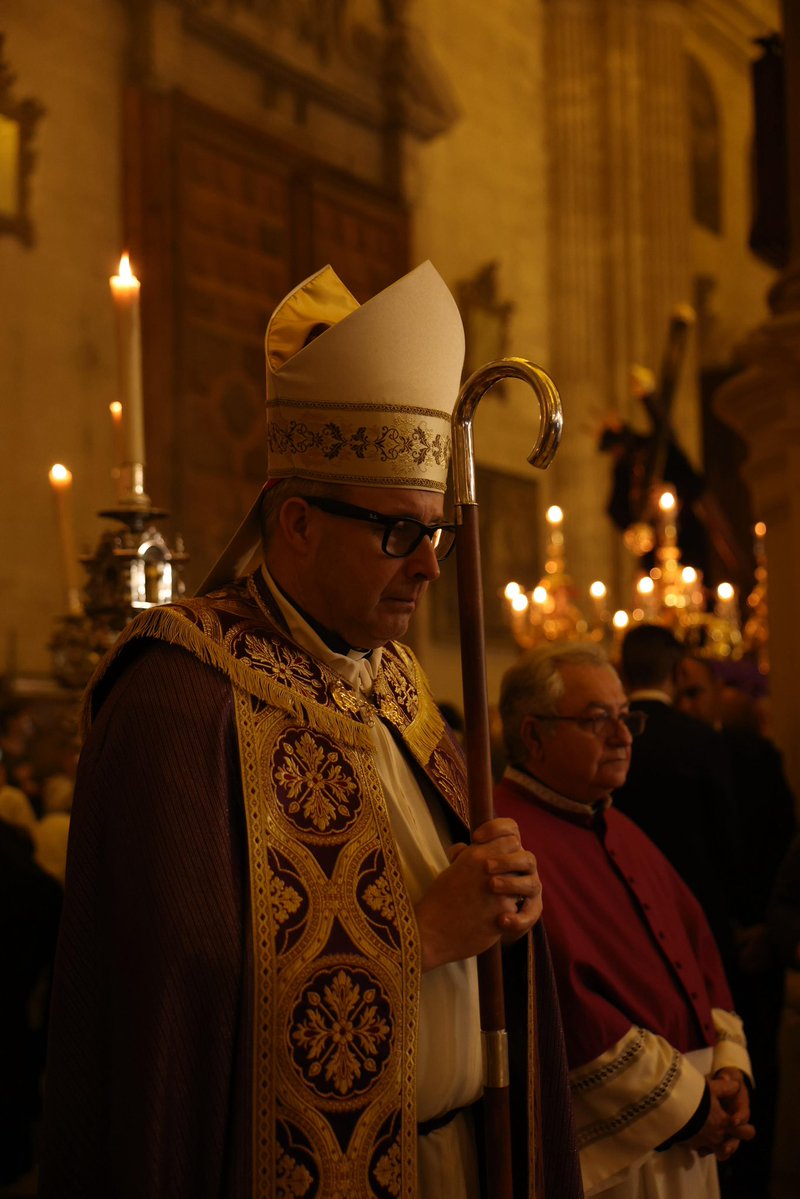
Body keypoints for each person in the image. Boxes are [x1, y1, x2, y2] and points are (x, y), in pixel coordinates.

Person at [40, 262, 581, 1199]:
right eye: (396, 532)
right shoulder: (181, 690)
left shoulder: (401, 688)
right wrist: (421, 939)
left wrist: (507, 895)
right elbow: (182, 1001)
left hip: (463, 1160)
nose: (427, 565)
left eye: (437, 533)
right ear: (296, 521)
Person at [494, 641, 754, 1199]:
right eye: (597, 720)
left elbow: (699, 952)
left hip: (698, 1112)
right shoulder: (505, 841)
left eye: (625, 717)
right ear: (534, 736)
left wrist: (729, 1068)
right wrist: (692, 1107)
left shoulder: (621, 826)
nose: (623, 736)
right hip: (631, 1149)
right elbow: (563, 1003)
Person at [677, 654, 796, 1198]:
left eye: (696, 693)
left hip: (751, 945)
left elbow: (782, 850)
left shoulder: (750, 756)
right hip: (714, 947)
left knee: (754, 1077)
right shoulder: (677, 758)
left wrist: (770, 930)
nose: (687, 706)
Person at [612, 624, 738, 971]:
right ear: (678, 671)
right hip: (697, 901)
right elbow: (724, 832)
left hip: (626, 904)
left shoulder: (608, 738)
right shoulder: (702, 740)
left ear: (622, 671)